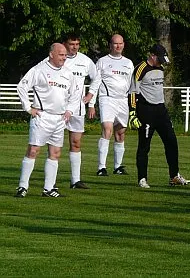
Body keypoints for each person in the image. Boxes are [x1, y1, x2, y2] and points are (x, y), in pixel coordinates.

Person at [15, 43, 80, 198]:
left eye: (65, 55)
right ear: (52, 54)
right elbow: (22, 87)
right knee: (33, 150)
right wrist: (28, 108)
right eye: (61, 55)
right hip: (42, 117)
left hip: (59, 119)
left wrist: (70, 110)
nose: (64, 58)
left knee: (55, 153)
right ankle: (23, 187)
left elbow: (75, 94)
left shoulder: (68, 73)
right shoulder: (39, 70)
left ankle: (48, 188)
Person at [129, 44, 190, 188]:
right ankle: (142, 178)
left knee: (171, 142)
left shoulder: (160, 69)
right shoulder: (140, 69)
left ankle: (174, 176)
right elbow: (133, 92)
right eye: (160, 59)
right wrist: (133, 113)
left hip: (161, 110)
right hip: (146, 111)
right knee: (144, 146)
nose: (161, 62)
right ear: (152, 55)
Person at [88, 34, 134, 176]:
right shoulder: (102, 62)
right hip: (107, 99)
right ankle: (101, 167)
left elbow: (132, 85)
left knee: (120, 133)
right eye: (115, 44)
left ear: (124, 45)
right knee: (107, 129)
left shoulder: (128, 63)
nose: (118, 46)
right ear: (110, 45)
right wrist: (91, 104)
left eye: (120, 43)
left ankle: (118, 166)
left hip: (122, 100)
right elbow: (95, 82)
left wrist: (134, 105)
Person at [61, 33, 98, 189]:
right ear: (65, 44)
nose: (74, 47)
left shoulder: (85, 60)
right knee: (51, 144)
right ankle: (49, 181)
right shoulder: (57, 59)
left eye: (77, 44)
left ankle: (75, 180)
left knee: (76, 142)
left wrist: (91, 96)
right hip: (59, 107)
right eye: (71, 44)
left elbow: (97, 78)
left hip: (77, 108)